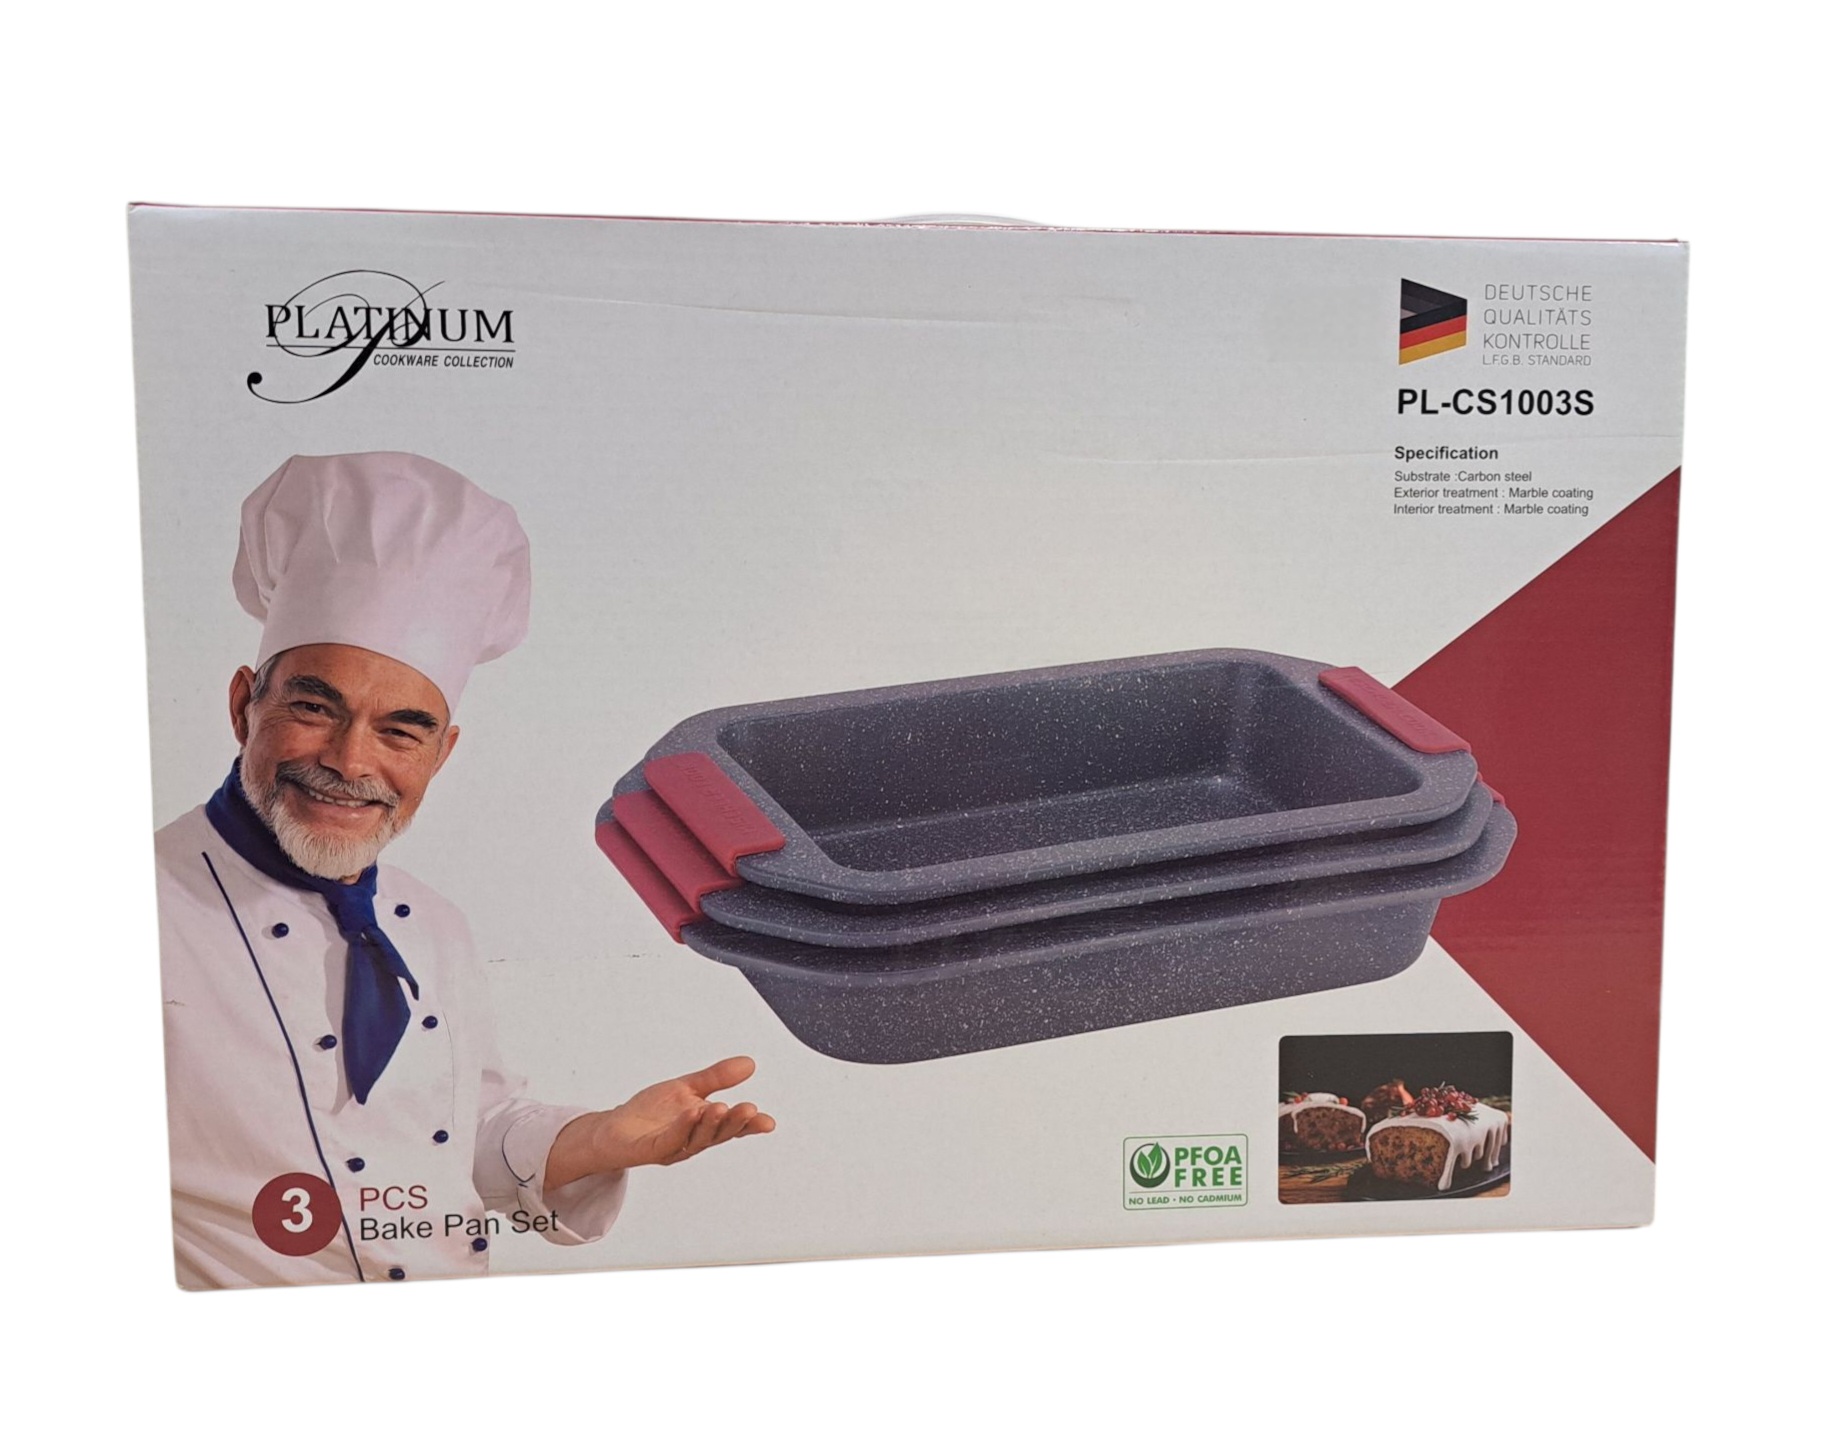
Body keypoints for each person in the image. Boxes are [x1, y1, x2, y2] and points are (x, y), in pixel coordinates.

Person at [155, 451, 773, 1289]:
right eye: (313, 707)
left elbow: (456, 1140)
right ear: (243, 705)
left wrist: (600, 1140)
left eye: (400, 732)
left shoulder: (432, 924)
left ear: (441, 754)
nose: (350, 761)